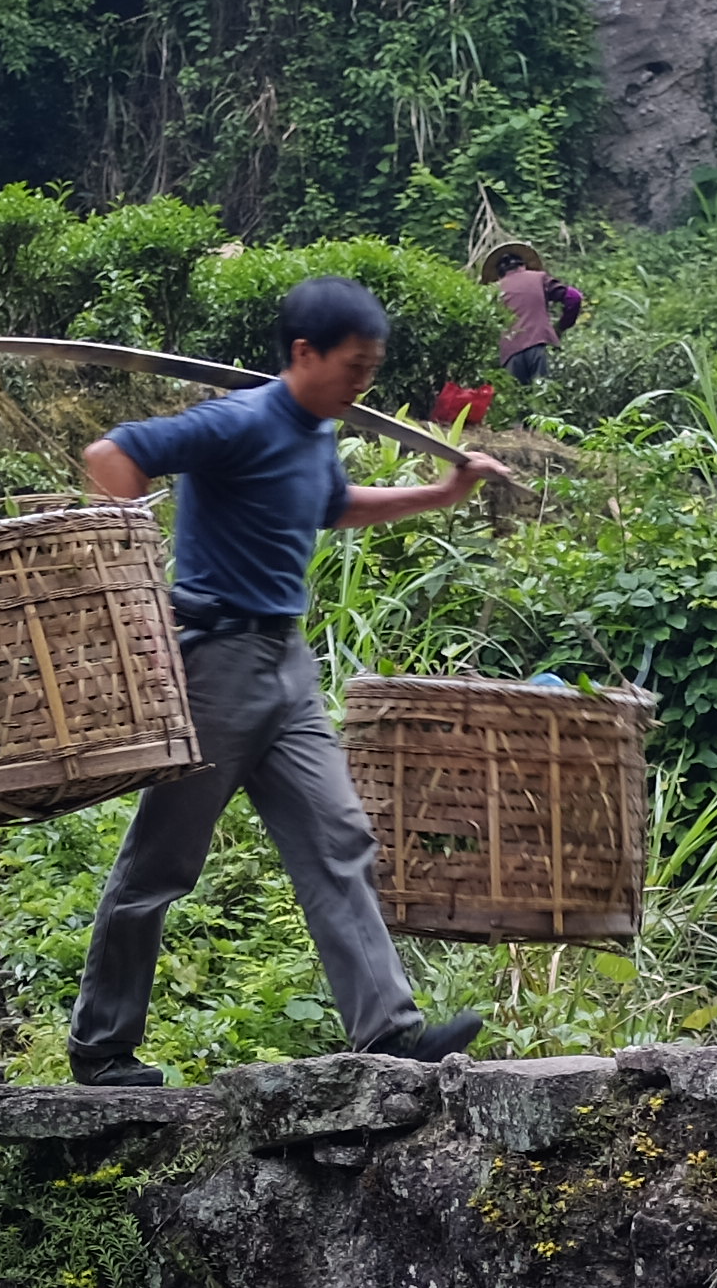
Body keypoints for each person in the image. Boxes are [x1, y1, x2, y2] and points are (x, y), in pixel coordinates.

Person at [68, 276, 509, 1088]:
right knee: (162, 863)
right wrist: (132, 584)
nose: (362, 383)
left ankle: (388, 1032)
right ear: (303, 353)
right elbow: (113, 455)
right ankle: (101, 1048)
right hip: (216, 666)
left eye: (372, 368)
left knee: (339, 839)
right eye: (354, 365)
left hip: (288, 668)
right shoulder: (235, 421)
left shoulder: (316, 433)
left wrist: (444, 493)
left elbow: (334, 505)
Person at [478, 239, 583, 388]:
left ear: (499, 273)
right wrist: (561, 326)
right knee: (545, 400)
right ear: (523, 265)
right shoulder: (539, 278)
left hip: (511, 356)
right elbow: (574, 298)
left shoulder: (493, 291)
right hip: (541, 345)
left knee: (517, 405)